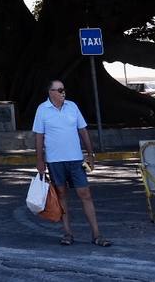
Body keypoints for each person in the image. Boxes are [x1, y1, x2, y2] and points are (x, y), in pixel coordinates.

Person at [34, 80, 109, 247]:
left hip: (75, 159)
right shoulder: (42, 110)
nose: (63, 92)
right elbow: (39, 136)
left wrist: (90, 154)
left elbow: (82, 130)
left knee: (85, 194)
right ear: (51, 92)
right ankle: (67, 233)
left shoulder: (72, 106)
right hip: (55, 161)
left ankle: (96, 234)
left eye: (63, 89)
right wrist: (39, 160)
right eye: (59, 90)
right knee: (61, 195)